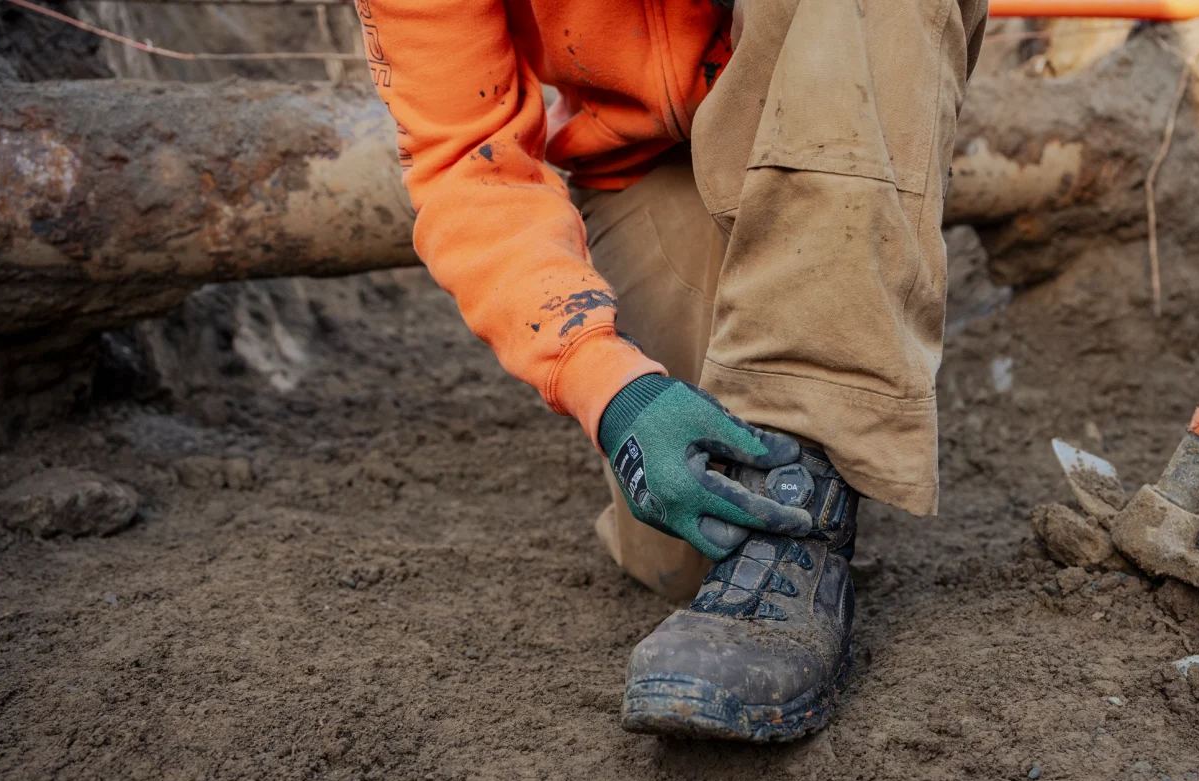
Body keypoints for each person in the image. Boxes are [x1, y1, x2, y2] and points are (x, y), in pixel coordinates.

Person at [356, 0, 988, 742]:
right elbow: (468, 160)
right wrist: (610, 386)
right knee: (695, 542)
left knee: (773, 506)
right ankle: (813, 434)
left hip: (828, 74)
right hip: (645, 164)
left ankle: (803, 508)